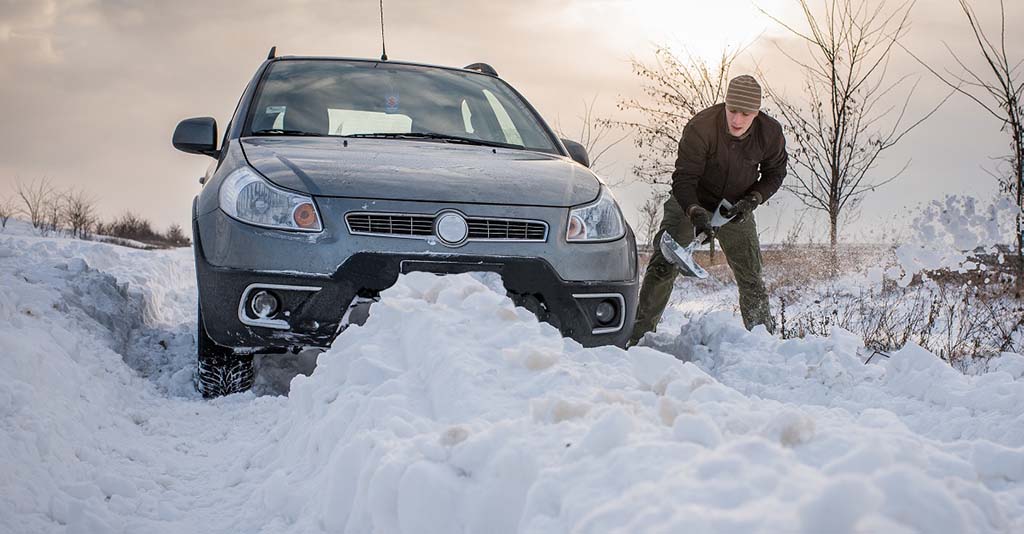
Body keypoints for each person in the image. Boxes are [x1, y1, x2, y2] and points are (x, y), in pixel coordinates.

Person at [628, 75, 787, 346]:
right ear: (725, 104)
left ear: (757, 113)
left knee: (751, 276)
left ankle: (764, 345)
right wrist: (695, 212)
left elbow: (776, 173)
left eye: (745, 114)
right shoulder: (701, 127)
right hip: (690, 200)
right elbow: (684, 178)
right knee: (663, 265)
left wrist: (753, 199)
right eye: (732, 110)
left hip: (736, 207)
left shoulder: (770, 133)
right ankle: (638, 338)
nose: (737, 120)